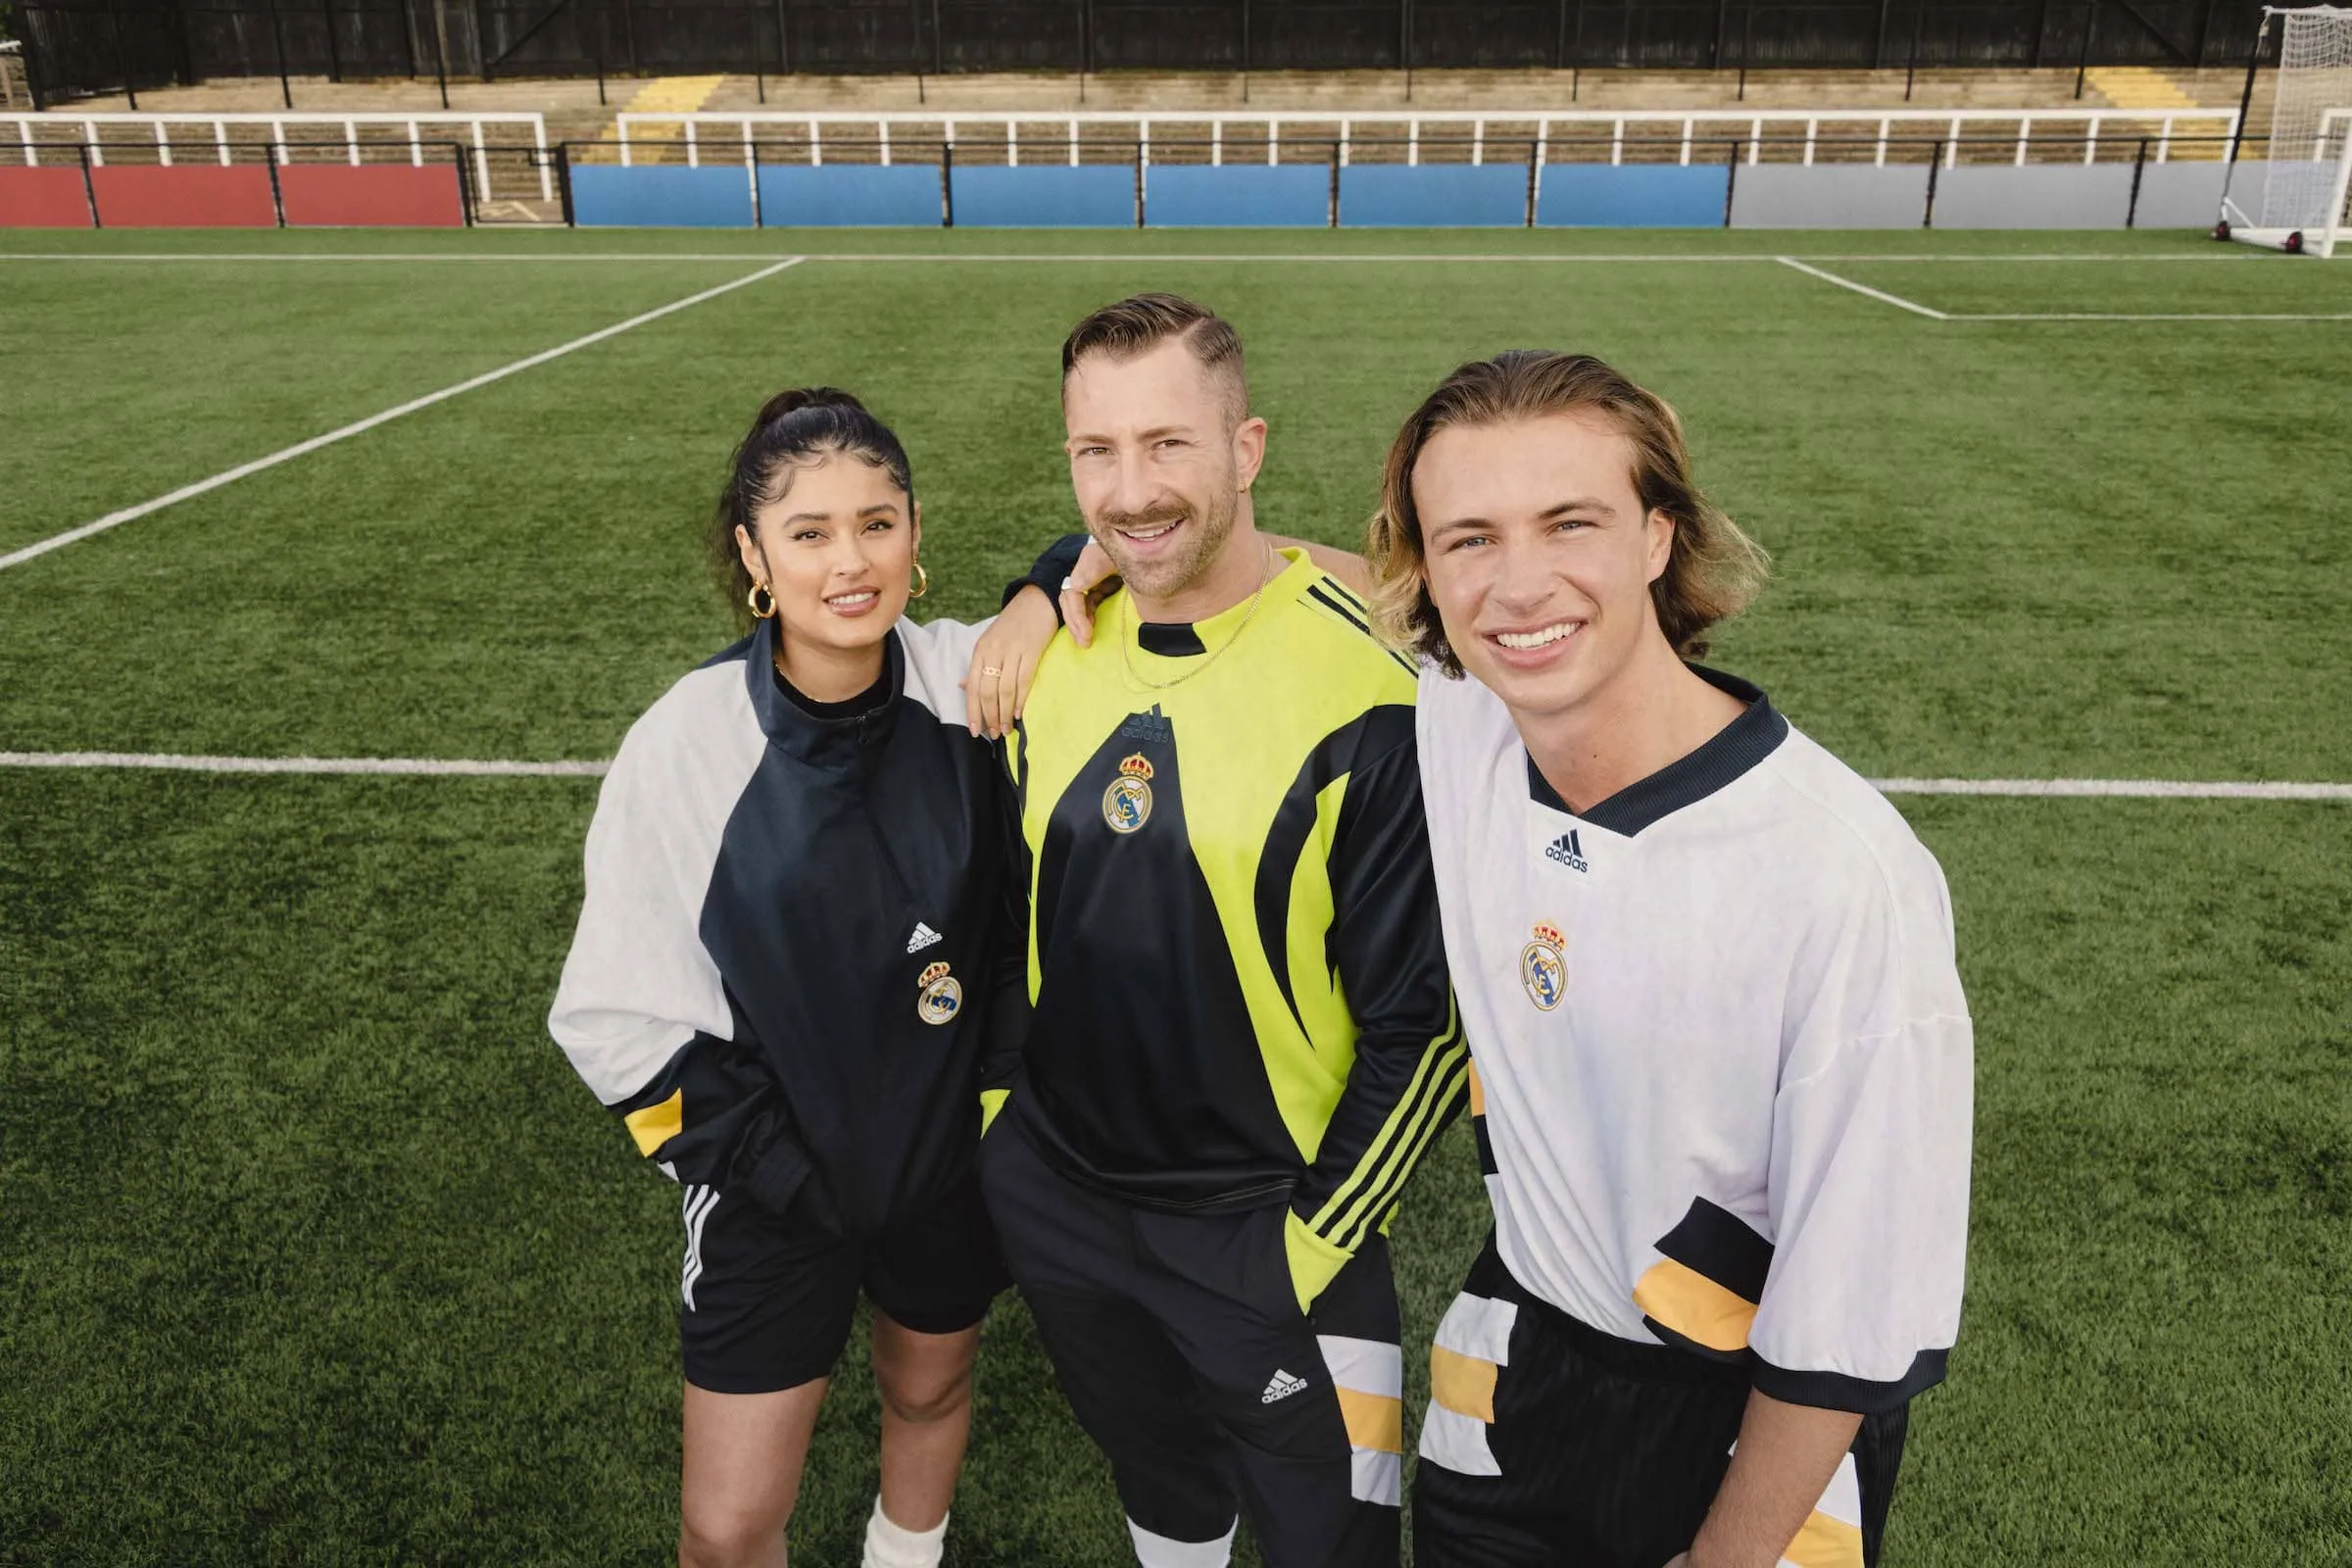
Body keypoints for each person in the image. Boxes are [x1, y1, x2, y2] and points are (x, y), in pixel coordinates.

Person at [1361, 350, 1974, 1568]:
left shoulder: (1845, 878)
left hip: (1750, 1432)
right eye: (1470, 538)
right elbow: (1254, 567)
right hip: (1517, 1363)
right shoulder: (1470, 714)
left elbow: (1850, 1314)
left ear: (1657, 535)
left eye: (1569, 522)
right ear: (1425, 567)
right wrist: (1074, 567)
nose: (1518, 585)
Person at [974, 293, 1465, 1568]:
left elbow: (1427, 1026)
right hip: (1061, 1204)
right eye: (1096, 451)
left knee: (1333, 1541)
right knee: (1161, 1479)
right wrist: (1003, 1132)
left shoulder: (1377, 693)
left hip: (1268, 1227)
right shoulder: (1047, 658)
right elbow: (1007, 916)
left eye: (1168, 444)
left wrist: (1308, 1246)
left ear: (1248, 450)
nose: (1130, 490)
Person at [547, 388, 1061, 1568]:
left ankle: (902, 1553)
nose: (850, 562)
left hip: (950, 1165)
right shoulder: (688, 744)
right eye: (810, 532)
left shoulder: (971, 680)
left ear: (916, 533)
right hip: (773, 1190)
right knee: (726, 1527)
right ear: (754, 555)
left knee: (928, 1393)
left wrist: (1040, 589)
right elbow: (611, 1019)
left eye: (877, 524)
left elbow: (1132, 554)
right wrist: (785, 1171)